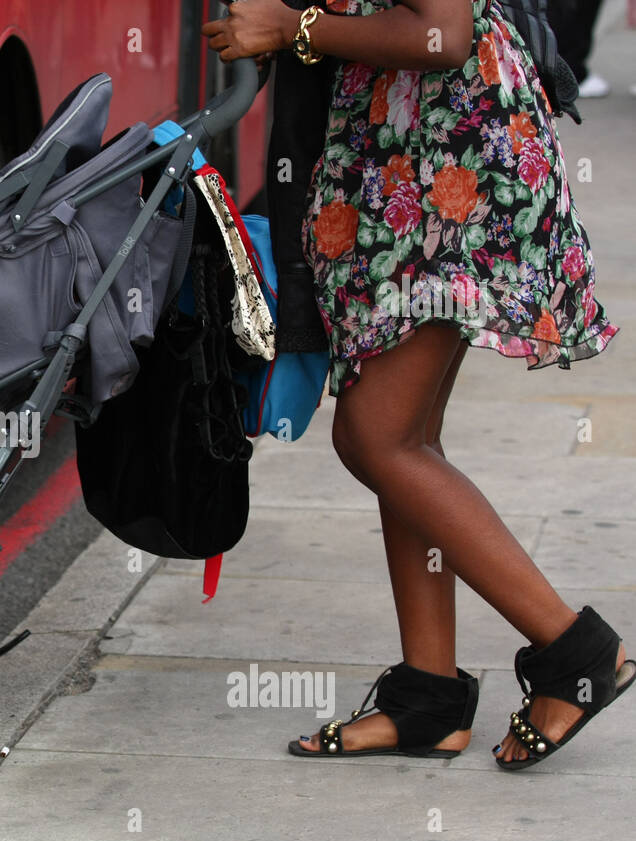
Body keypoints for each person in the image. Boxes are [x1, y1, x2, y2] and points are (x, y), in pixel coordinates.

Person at [203, 0, 633, 768]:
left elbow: (443, 32)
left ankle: (578, 654)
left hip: (448, 164)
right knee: (400, 439)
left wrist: (292, 28)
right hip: (395, 158)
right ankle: (428, 698)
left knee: (377, 435)